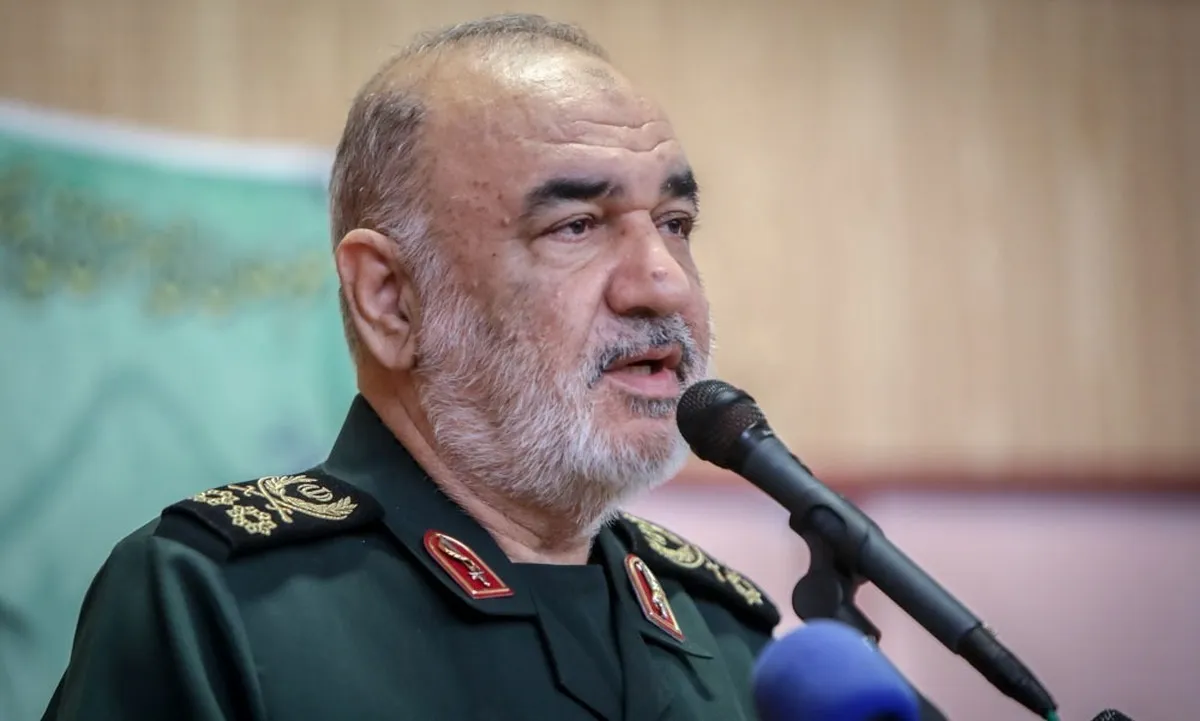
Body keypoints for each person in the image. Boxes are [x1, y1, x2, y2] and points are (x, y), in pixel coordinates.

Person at [42, 14, 946, 721]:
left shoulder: (729, 636)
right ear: (390, 298)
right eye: (576, 226)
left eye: (675, 224)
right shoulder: (218, 603)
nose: (662, 282)